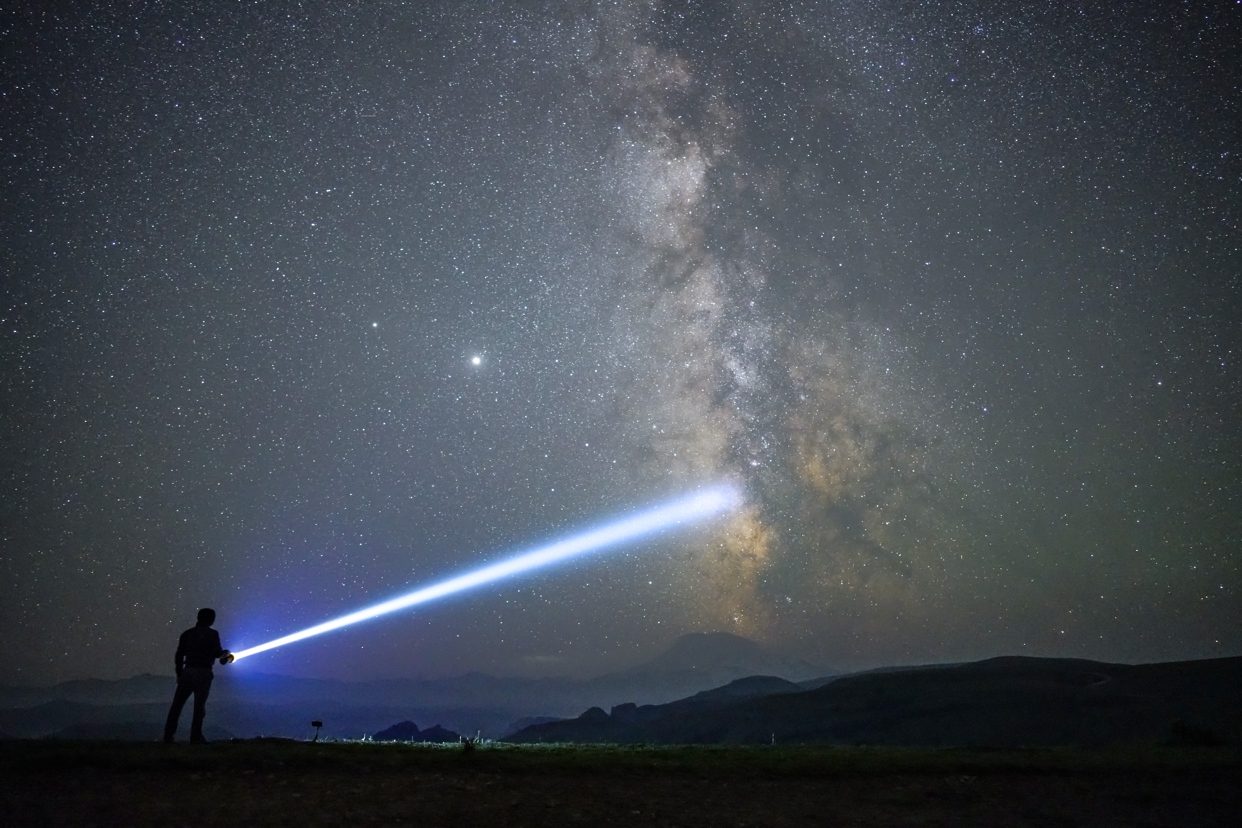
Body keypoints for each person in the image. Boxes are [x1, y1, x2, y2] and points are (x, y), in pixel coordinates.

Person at [163, 607, 233, 744]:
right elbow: (217, 653)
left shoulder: (187, 634)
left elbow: (179, 655)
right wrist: (227, 653)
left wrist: (179, 673)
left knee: (177, 706)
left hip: (187, 671)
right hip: (204, 672)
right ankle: (195, 738)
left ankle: (168, 736)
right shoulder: (212, 634)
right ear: (211, 619)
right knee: (199, 708)